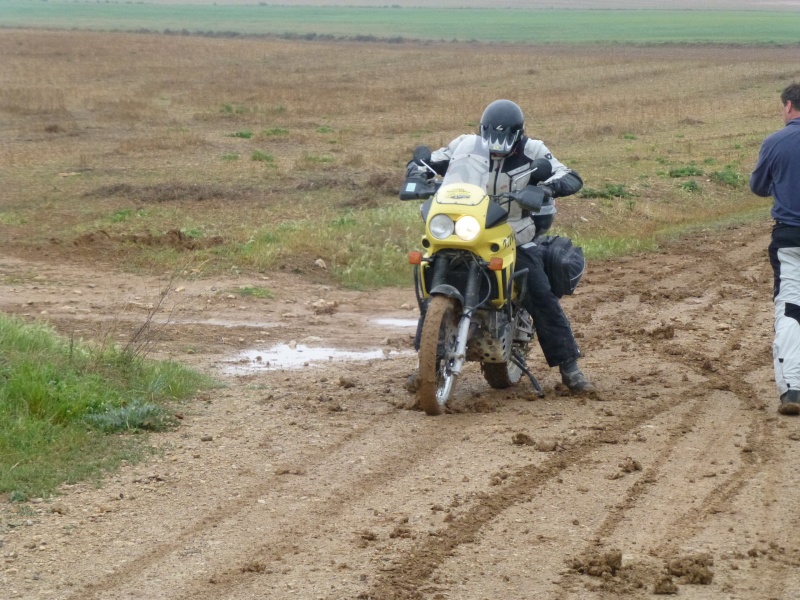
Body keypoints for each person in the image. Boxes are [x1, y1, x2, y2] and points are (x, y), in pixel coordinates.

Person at [406, 99, 594, 393]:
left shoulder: (534, 150)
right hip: (465, 228)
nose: (496, 147)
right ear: (482, 130)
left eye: (505, 139)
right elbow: (431, 162)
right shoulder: (464, 145)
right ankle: (427, 363)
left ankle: (569, 367)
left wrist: (544, 188)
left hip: (513, 232)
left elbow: (570, 177)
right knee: (432, 276)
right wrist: (417, 172)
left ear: (519, 133)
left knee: (539, 292)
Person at [750, 82, 800, 416]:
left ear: (787, 106)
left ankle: (793, 388)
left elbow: (758, 187)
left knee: (791, 308)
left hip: (790, 238)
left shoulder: (776, 141)